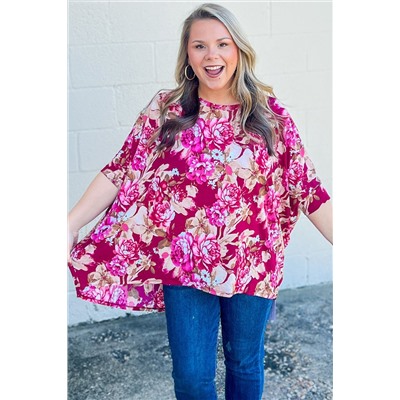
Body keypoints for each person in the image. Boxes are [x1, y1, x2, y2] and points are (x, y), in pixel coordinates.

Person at [68, 3, 333, 399]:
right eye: (200, 46)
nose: (212, 56)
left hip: (252, 264)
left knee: (244, 363)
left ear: (239, 50)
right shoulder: (166, 110)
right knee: (192, 377)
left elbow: (307, 189)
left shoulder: (270, 117)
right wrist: (69, 223)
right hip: (185, 264)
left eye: (223, 44)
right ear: (187, 55)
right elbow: (122, 169)